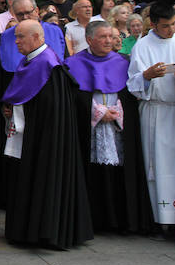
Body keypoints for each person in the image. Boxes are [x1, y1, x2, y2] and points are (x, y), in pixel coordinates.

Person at [2, 20, 93, 248]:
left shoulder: (48, 64)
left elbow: (49, 106)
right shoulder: (31, 60)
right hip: (32, 135)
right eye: (16, 37)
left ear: (36, 37)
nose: (17, 42)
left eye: (21, 37)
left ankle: (45, 232)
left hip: (47, 139)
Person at [66, 21, 154, 234]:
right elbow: (73, 97)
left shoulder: (124, 61)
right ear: (89, 40)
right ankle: (94, 221)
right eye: (103, 37)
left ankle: (123, 221)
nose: (109, 41)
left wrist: (117, 112)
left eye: (111, 37)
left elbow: (131, 94)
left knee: (120, 170)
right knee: (94, 172)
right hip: (89, 126)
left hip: (118, 124)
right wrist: (97, 111)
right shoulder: (73, 64)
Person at [126, 1, 175, 240]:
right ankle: (160, 220)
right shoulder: (142, 46)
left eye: (174, 24)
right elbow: (133, 84)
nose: (170, 30)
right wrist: (147, 76)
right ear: (153, 24)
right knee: (157, 166)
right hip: (156, 112)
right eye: (165, 26)